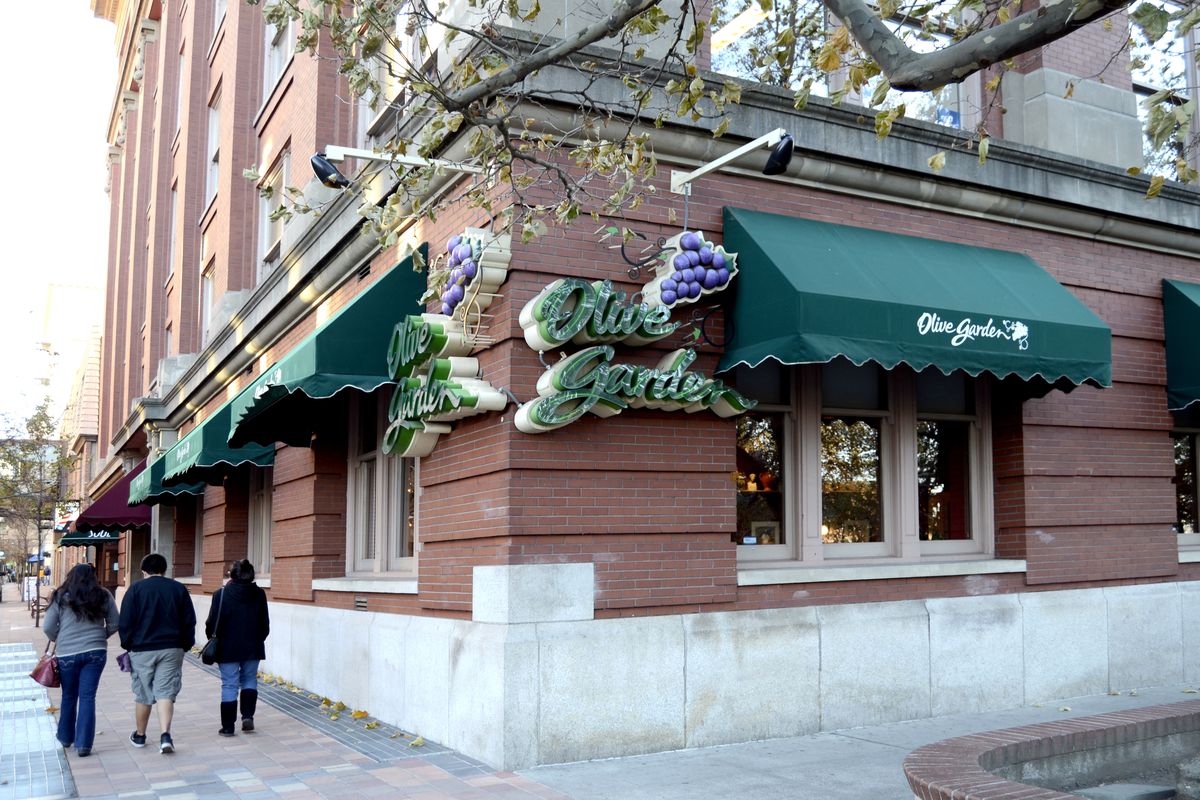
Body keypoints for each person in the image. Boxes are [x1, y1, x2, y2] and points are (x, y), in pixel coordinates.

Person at [118, 553, 196, 754]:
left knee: (143, 693)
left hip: (142, 648)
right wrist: (186, 644)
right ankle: (165, 735)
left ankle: (140, 735)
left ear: (144, 571)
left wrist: (128, 644)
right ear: (165, 569)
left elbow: (125, 621)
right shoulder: (178, 588)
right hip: (172, 647)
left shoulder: (135, 589)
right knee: (165, 692)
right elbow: (189, 620)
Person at [43, 564, 119, 757]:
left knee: (69, 695)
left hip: (67, 653)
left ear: (70, 576)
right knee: (87, 697)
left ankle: (66, 737)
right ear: (93, 576)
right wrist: (101, 636)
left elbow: (48, 627)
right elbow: (115, 623)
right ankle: (84, 745)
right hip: (95, 652)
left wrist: (59, 638)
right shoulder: (103, 595)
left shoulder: (60, 596)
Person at [205, 559, 269, 736]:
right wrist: (258, 639)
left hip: (227, 648)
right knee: (249, 679)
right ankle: (247, 716)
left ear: (231, 575)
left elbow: (211, 623)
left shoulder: (221, 594)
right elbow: (265, 624)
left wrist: (212, 639)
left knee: (229, 684)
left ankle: (228, 727)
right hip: (253, 646)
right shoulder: (259, 594)